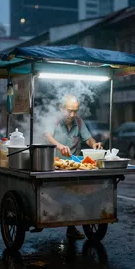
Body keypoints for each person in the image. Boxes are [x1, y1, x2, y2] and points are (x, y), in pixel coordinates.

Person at [45, 94, 102, 240]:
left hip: (74, 166)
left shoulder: (79, 121)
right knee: (57, 196)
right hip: (54, 166)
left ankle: (72, 226)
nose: (72, 114)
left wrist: (94, 144)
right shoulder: (54, 120)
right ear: (61, 108)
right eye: (69, 110)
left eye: (75, 111)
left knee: (77, 194)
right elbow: (47, 135)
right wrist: (58, 145)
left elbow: (88, 138)